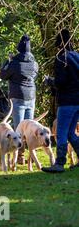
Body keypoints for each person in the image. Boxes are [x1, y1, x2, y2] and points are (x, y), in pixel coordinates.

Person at [42, 29, 79, 173]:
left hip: (67, 102)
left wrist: (50, 81)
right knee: (71, 133)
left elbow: (61, 82)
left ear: (59, 44)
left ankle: (59, 163)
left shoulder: (61, 58)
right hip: (78, 101)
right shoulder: (77, 56)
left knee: (61, 133)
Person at [0, 34, 39, 164]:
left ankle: (20, 156)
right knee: (30, 128)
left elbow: (3, 75)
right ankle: (31, 156)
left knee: (18, 128)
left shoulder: (14, 63)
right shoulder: (34, 63)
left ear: (19, 48)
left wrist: (8, 61)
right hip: (31, 96)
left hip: (18, 97)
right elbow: (34, 76)